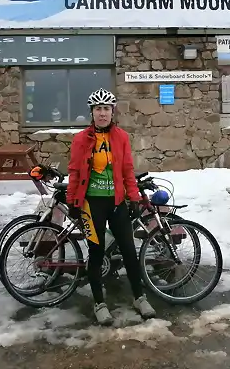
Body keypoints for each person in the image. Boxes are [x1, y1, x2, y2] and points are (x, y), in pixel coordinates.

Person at [66, 88, 157, 325]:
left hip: (116, 202)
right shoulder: (81, 140)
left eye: (106, 109)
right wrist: (73, 201)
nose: (102, 113)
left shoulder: (121, 138)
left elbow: (127, 171)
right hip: (92, 203)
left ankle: (139, 297)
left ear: (112, 111)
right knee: (96, 253)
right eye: (98, 109)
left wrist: (134, 198)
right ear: (92, 113)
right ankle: (99, 302)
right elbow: (75, 172)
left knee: (129, 250)